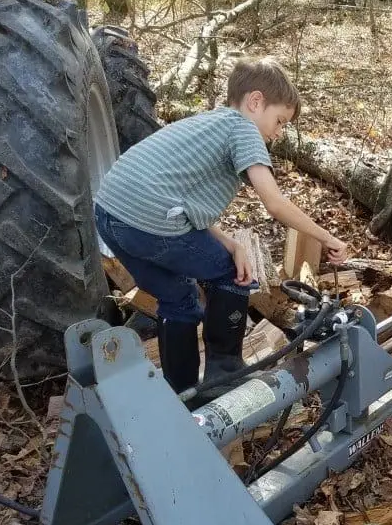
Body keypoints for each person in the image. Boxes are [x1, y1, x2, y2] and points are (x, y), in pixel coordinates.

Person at [94, 56, 349, 395]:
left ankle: (181, 394)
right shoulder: (243, 128)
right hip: (150, 220)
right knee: (234, 273)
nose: (278, 132)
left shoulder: (207, 124)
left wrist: (230, 241)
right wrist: (327, 237)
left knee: (178, 299)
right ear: (255, 102)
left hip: (111, 217)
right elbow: (274, 203)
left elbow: (180, 204)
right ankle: (223, 374)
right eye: (280, 120)